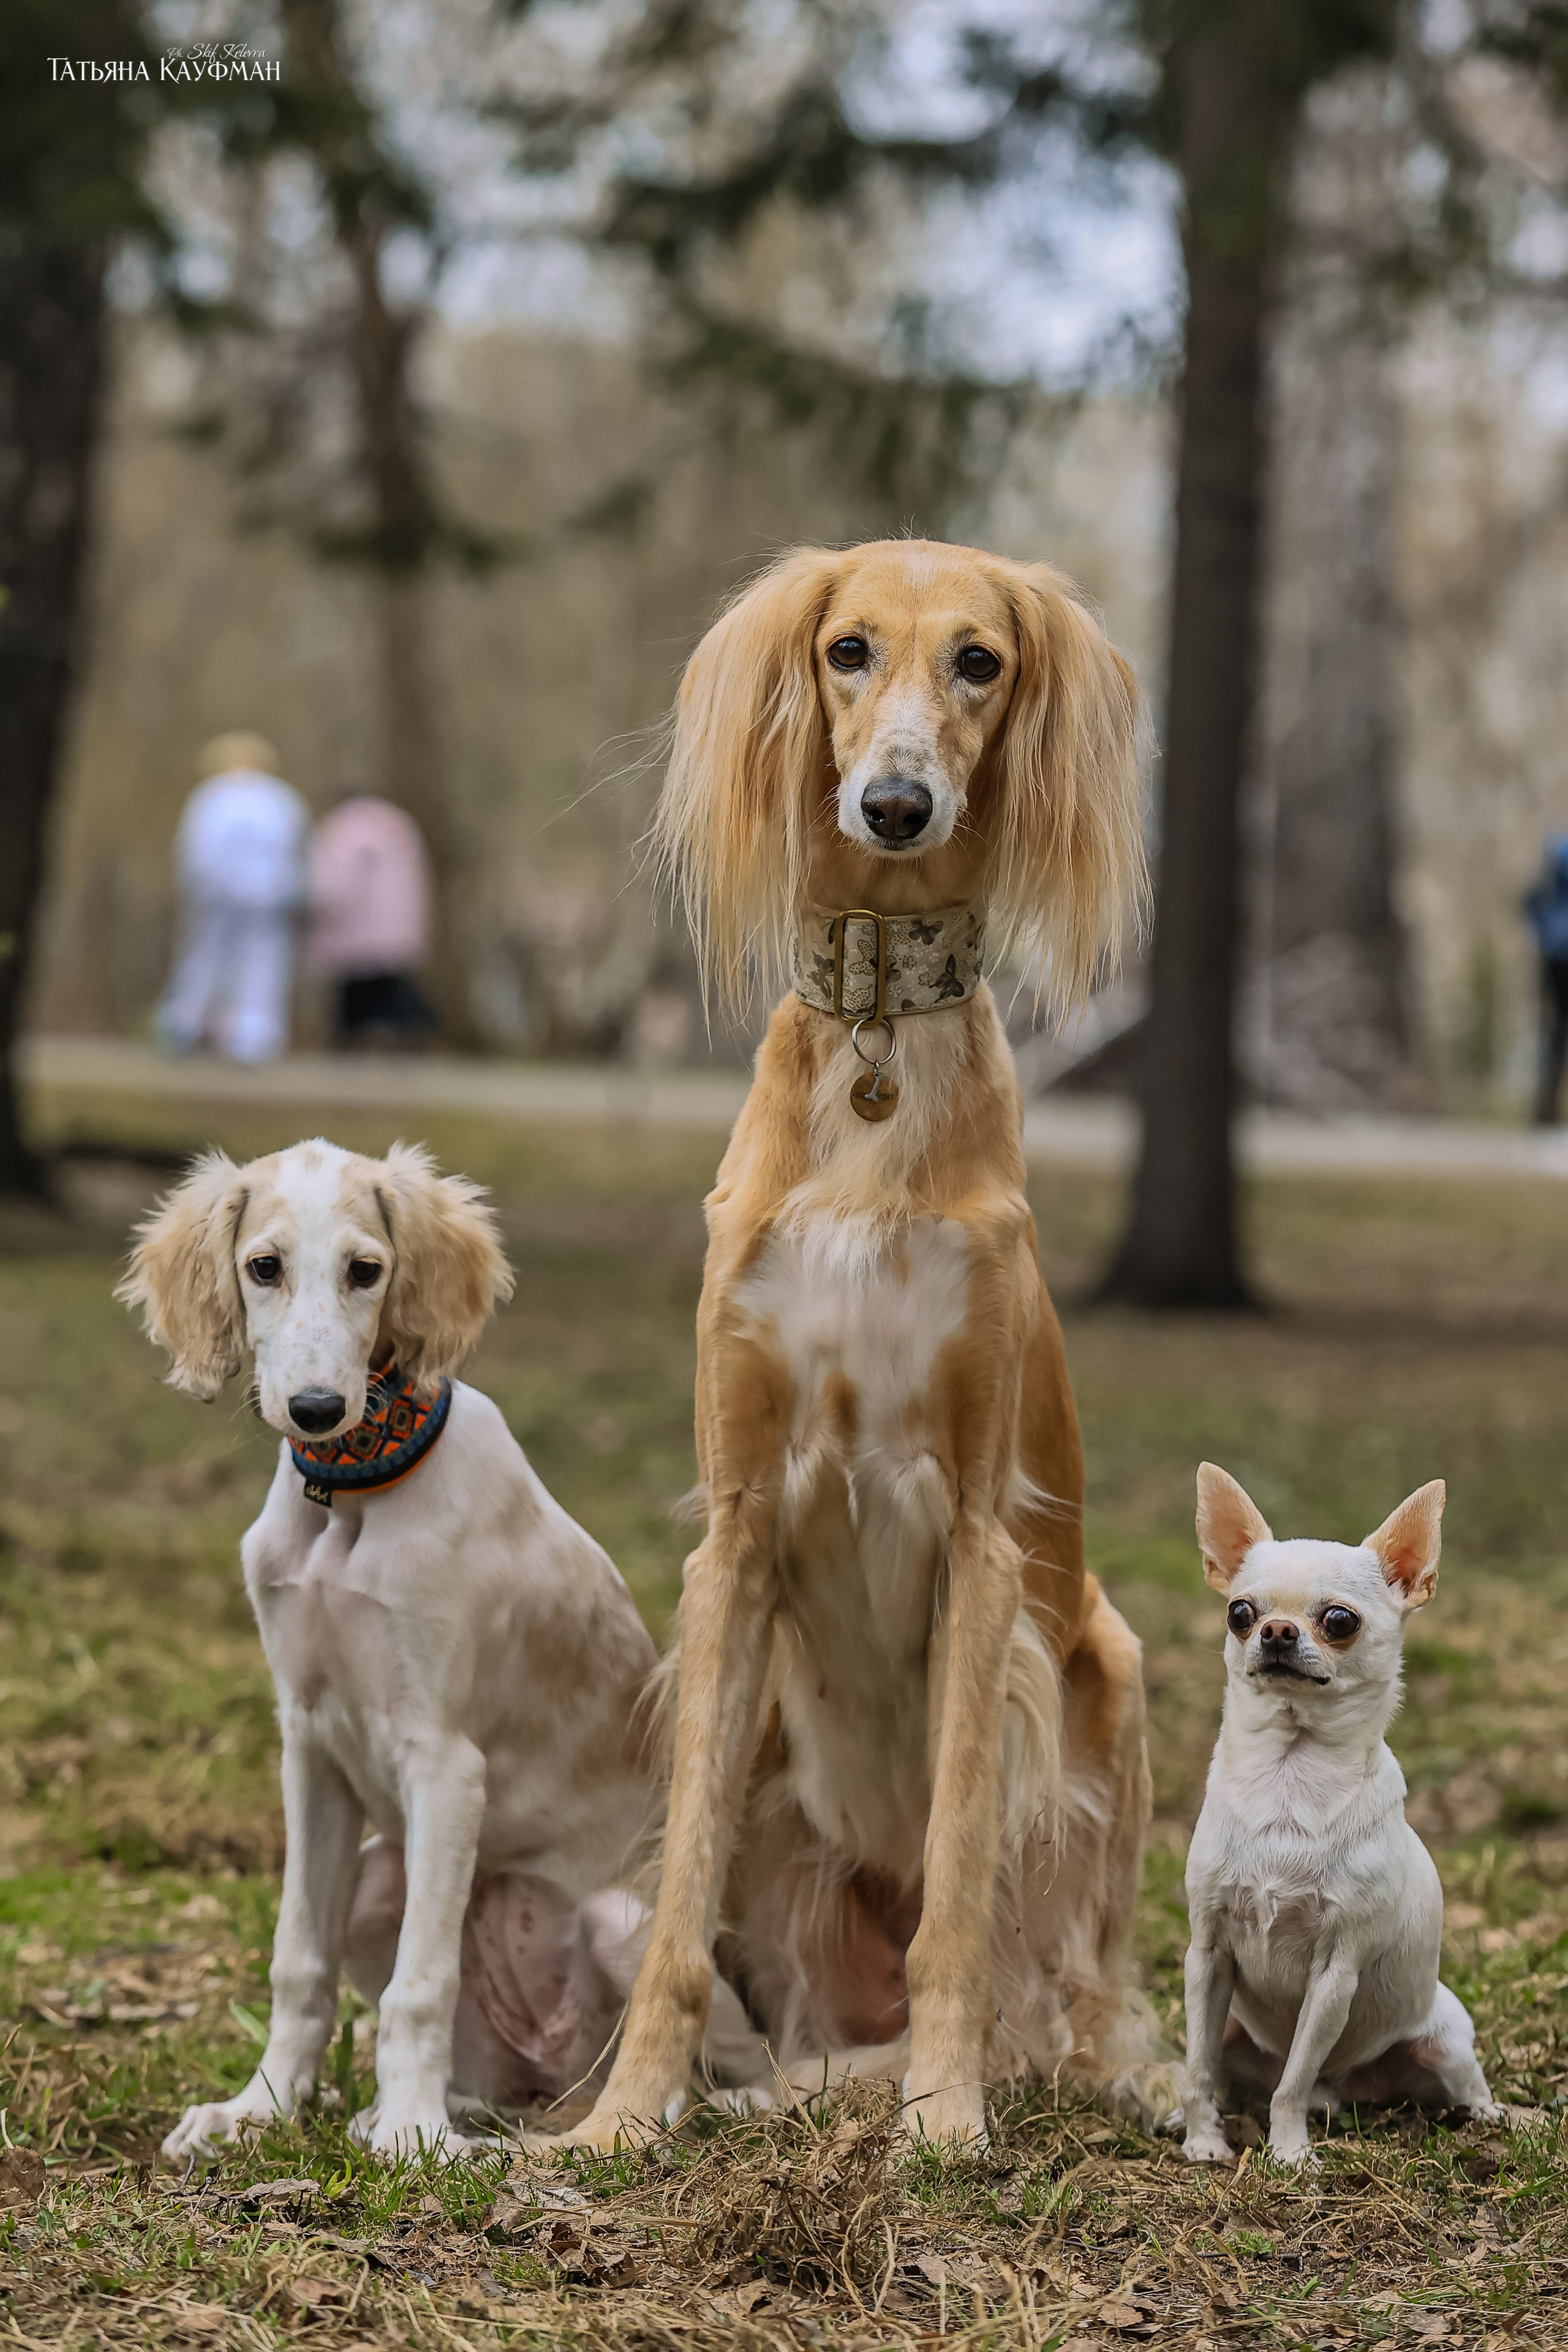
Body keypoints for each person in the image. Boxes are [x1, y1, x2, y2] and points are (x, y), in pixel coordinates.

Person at [156, 734, 307, 1063]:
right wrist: (291, 890)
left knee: (205, 958)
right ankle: (254, 1037)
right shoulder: (281, 798)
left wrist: (196, 888)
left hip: (219, 894)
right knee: (263, 964)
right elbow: (294, 852)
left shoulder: (212, 796)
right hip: (269, 896)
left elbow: (197, 851)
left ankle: (184, 1024)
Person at [307, 796, 437, 1050]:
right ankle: (405, 1030)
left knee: (362, 986)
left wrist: (322, 908)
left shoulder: (349, 828)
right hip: (397, 922)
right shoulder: (396, 823)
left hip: (360, 925)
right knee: (384, 982)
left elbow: (337, 883)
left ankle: (363, 1034)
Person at [1523, 831, 1568, 1125]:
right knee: (1554, 1035)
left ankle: (1545, 1109)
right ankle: (1546, 1110)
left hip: (1552, 960)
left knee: (1553, 1035)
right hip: (1555, 960)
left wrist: (1543, 937)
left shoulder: (1547, 886)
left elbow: (1529, 906)